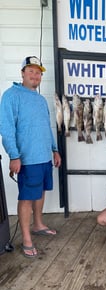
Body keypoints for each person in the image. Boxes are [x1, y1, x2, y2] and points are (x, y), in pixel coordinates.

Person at [0, 56, 61, 258]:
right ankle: (26, 238)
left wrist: (54, 149)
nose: (36, 75)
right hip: (27, 159)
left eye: (38, 72)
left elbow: (46, 127)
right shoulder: (11, 96)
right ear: (23, 73)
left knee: (41, 192)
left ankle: (38, 224)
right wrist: (14, 156)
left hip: (44, 157)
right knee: (26, 197)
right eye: (31, 71)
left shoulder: (40, 99)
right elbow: (6, 128)